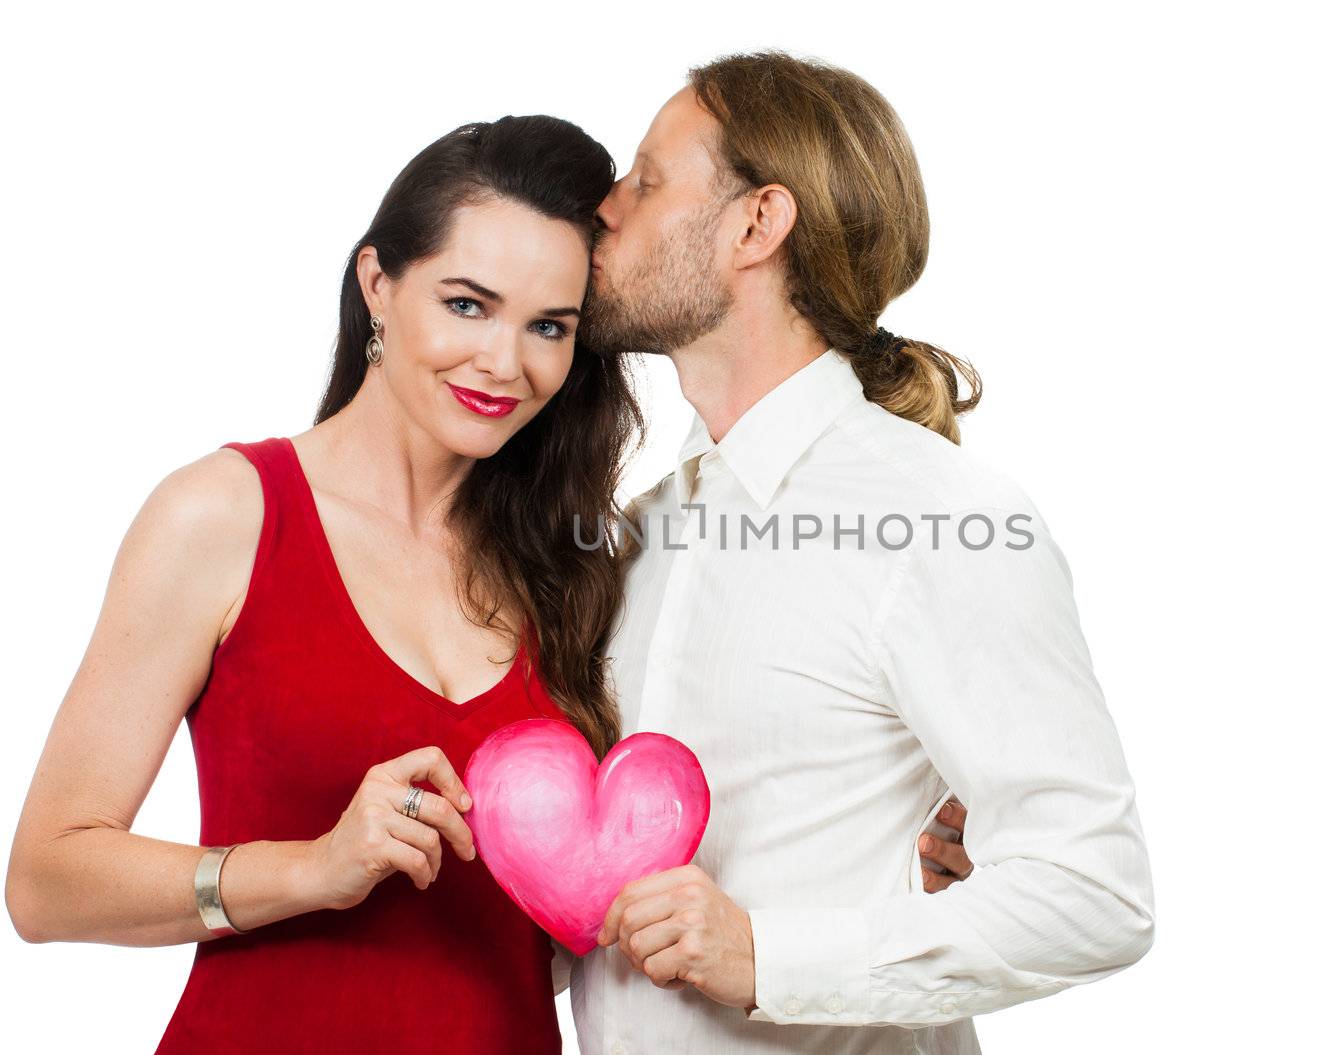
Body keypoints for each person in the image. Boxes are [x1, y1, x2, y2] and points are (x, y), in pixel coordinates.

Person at [4, 114, 642, 1053]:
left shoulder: (576, 562)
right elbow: (44, 883)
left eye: (548, 325)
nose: (506, 363)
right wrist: (312, 868)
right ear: (377, 283)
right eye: (467, 304)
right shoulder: (223, 515)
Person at [567, 51, 1157, 1053]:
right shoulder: (637, 530)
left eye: (646, 179)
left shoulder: (941, 521)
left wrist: (768, 955)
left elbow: (1093, 889)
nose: (605, 210)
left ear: (756, 223)